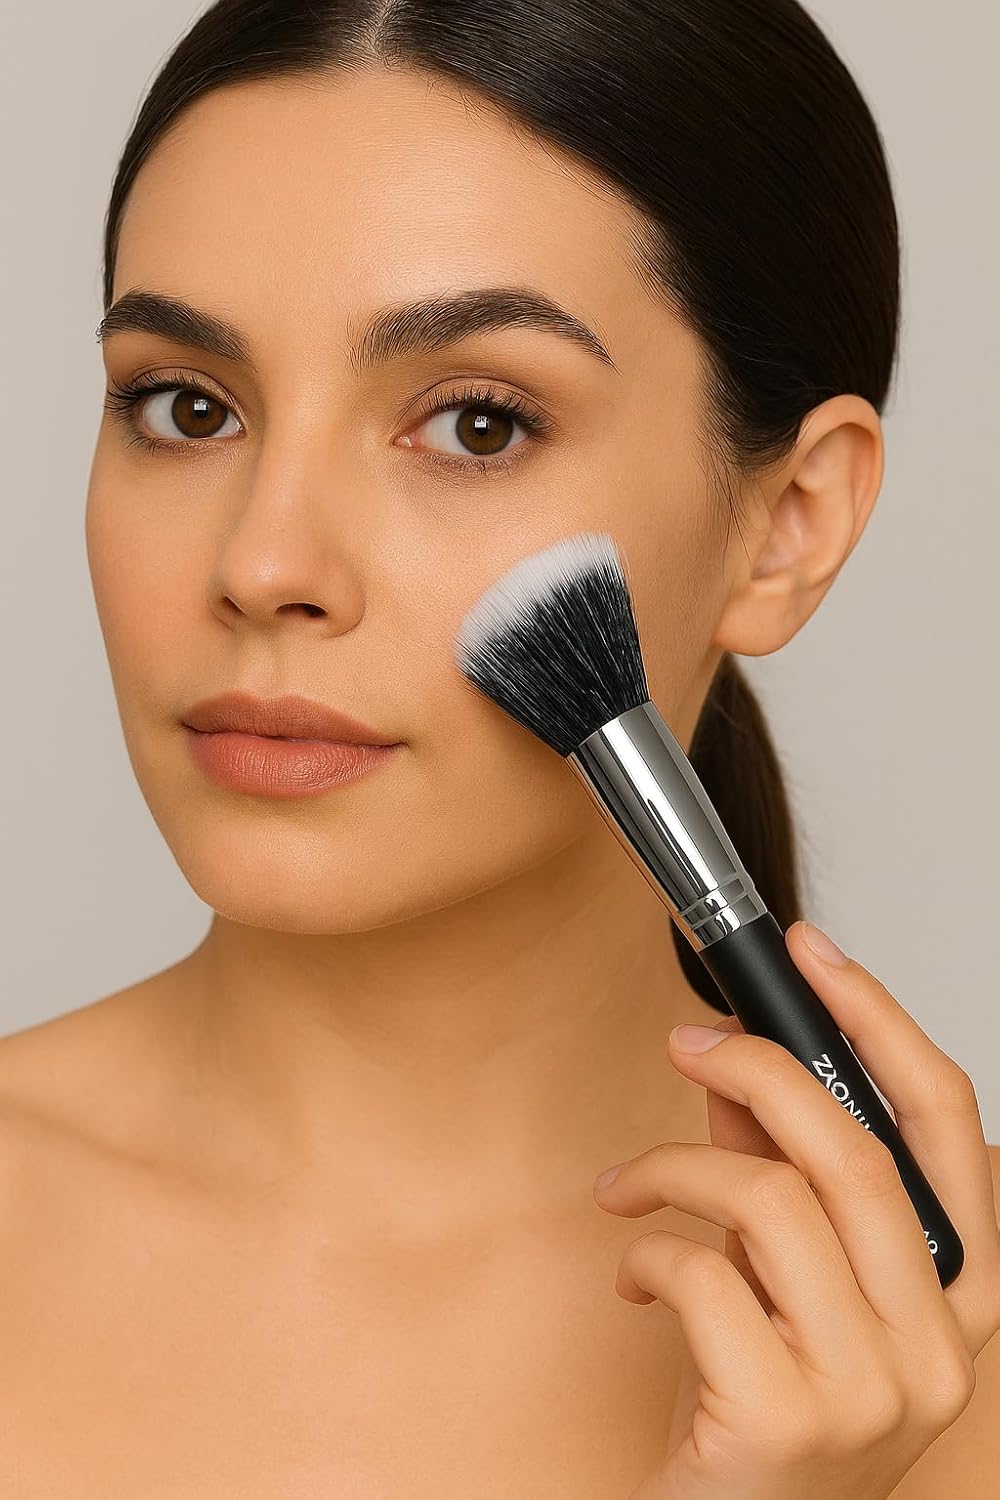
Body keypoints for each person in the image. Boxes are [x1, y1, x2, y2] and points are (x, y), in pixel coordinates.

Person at [2, 1, 998, 1494]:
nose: (265, 560)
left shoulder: (936, 1361)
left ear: (788, 525)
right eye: (186, 404)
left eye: (475, 425)